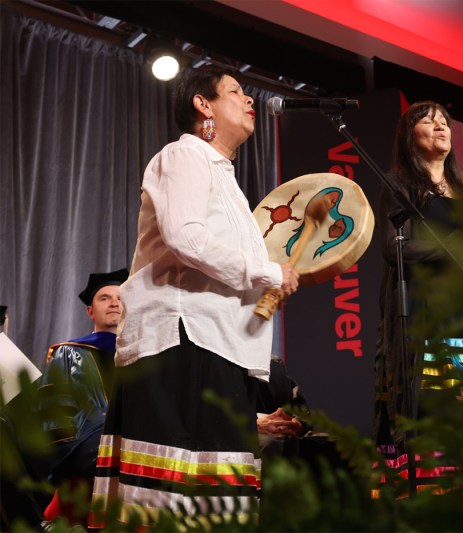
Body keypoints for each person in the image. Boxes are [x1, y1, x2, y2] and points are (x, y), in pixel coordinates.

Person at [89, 67, 299, 529]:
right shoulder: (184, 155)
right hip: (181, 339)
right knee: (168, 494)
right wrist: (267, 271)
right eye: (235, 92)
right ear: (203, 105)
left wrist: (273, 277)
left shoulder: (230, 184)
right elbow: (186, 238)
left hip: (217, 345)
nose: (249, 101)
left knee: (217, 500)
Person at [373, 101, 463, 450]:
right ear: (409, 136)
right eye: (430, 122)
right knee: (437, 416)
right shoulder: (400, 185)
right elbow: (395, 248)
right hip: (429, 317)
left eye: (444, 121)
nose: (441, 126)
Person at [36, 268, 128, 525]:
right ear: (90, 311)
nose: (114, 303)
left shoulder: (143, 357)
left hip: (137, 464)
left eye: (121, 297)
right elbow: (55, 418)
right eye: (104, 298)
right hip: (87, 465)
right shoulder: (68, 353)